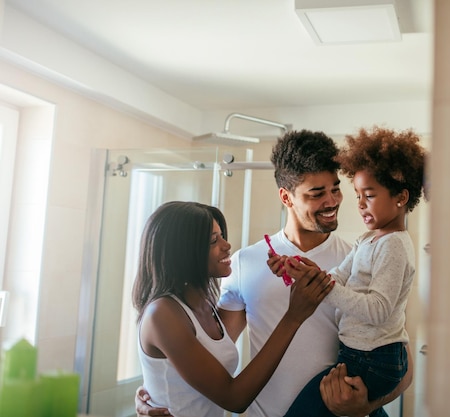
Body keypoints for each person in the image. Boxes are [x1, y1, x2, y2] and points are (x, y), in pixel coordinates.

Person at [136, 130, 414, 417]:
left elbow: (401, 364)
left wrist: (365, 405)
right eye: (317, 193)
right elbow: (211, 349)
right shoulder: (245, 262)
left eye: (335, 189)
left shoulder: (358, 260)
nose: (332, 201)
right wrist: (155, 391)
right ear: (286, 196)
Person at [132, 201, 333, 417]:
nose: (227, 245)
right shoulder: (162, 314)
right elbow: (234, 398)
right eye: (213, 241)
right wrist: (293, 317)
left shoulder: (205, 305)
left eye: (222, 236)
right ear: (183, 252)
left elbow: (175, 378)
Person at [279, 126, 427, 417]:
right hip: (358, 355)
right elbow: (338, 276)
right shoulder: (368, 239)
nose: (359, 205)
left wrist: (326, 288)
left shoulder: (394, 246)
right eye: (357, 195)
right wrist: (305, 271)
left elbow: (378, 310)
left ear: (400, 197)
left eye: (369, 196)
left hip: (374, 361)